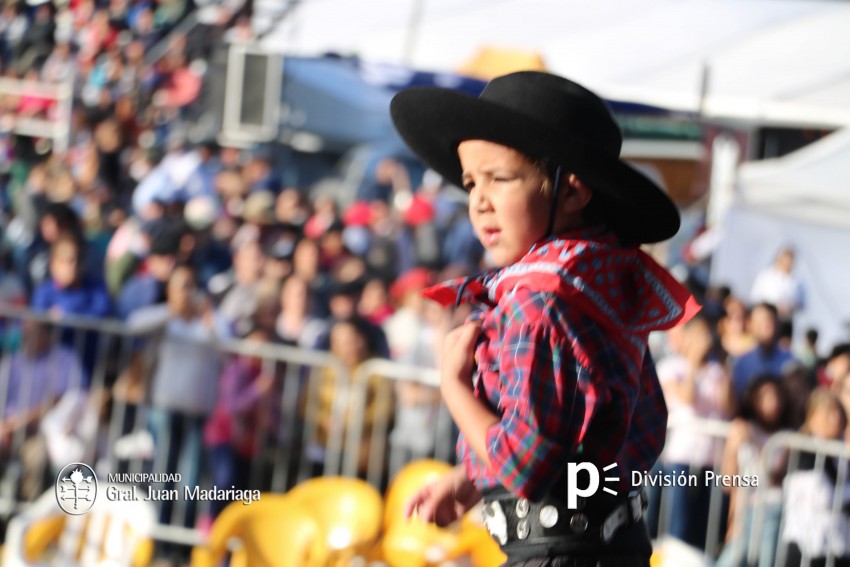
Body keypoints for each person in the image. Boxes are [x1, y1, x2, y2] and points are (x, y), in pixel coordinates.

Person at [390, 71, 699, 565]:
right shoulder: (596, 280)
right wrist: (471, 478)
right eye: (471, 181)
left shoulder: (541, 302)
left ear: (572, 193)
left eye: (500, 178)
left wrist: (453, 386)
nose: (479, 201)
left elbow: (527, 469)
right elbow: (563, 432)